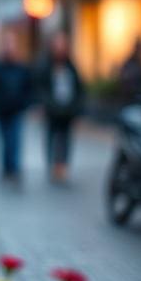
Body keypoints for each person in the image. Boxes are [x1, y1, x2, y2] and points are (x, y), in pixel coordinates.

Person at [0, 34, 33, 182]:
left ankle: (14, 168)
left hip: (16, 110)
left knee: (14, 140)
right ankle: (6, 167)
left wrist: (26, 104)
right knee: (4, 140)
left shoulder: (21, 68)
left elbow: (28, 87)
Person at [36, 33, 84, 183]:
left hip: (68, 110)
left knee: (66, 138)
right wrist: (47, 105)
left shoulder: (71, 67)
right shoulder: (46, 66)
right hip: (52, 110)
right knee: (51, 137)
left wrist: (76, 107)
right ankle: (52, 165)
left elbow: (79, 88)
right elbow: (41, 87)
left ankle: (62, 165)